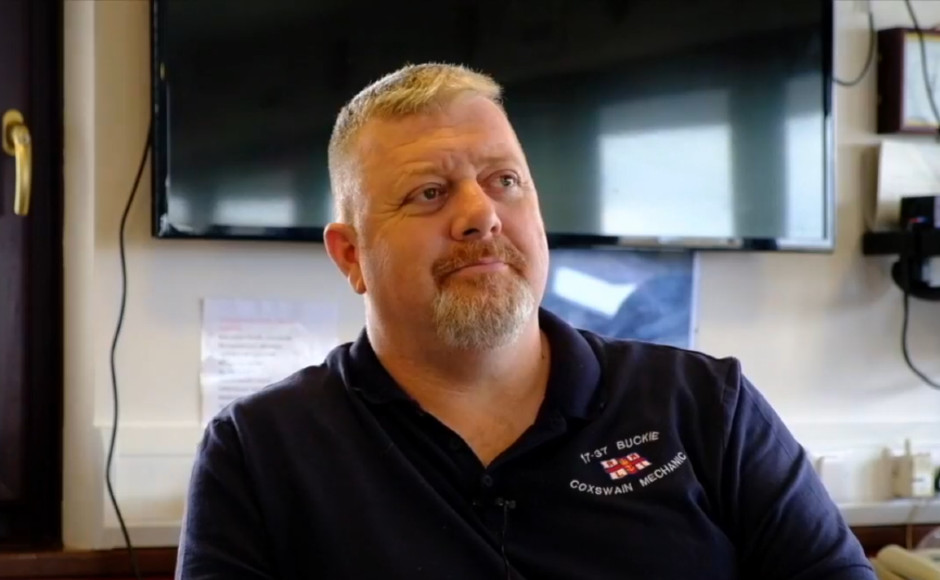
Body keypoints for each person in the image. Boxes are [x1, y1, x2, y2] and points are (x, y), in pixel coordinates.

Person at [175, 63, 875, 580]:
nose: (481, 214)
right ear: (352, 255)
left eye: (504, 181)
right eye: (429, 192)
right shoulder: (260, 452)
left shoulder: (706, 407)